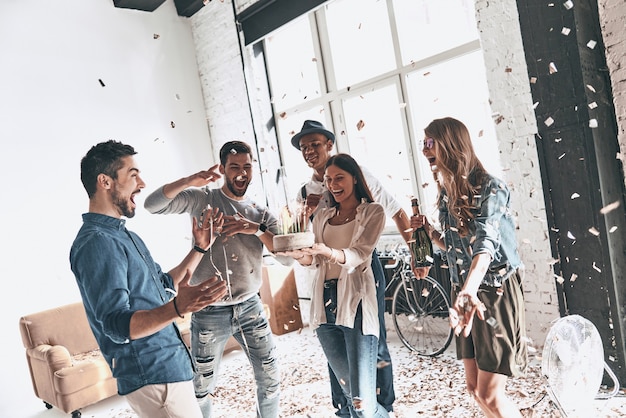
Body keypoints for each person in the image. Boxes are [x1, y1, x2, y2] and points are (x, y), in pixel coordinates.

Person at [70, 140, 228, 418]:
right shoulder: (97, 242)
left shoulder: (123, 235)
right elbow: (117, 324)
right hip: (153, 376)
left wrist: (200, 247)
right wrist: (179, 308)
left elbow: (164, 286)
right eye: (133, 174)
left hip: (168, 367)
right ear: (105, 181)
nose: (142, 183)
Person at [144, 140, 287, 418]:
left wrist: (256, 230)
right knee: (200, 388)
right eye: (235, 167)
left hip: (250, 309)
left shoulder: (261, 214)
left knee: (270, 380)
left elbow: (288, 258)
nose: (242, 173)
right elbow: (153, 205)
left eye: (247, 167)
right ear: (222, 169)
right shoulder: (202, 199)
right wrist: (189, 180)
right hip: (209, 312)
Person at [291, 119, 422, 416]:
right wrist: (307, 215)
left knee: (371, 341)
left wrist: (416, 253)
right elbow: (303, 238)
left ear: (328, 144)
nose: (309, 151)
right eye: (304, 147)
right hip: (327, 272)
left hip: (361, 265)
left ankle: (380, 405)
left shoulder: (359, 175)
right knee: (335, 348)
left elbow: (398, 212)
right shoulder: (306, 191)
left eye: (315, 144)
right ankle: (346, 407)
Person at [410, 117, 528, 418]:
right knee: (475, 389)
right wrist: (430, 232)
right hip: (464, 292)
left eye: (430, 143)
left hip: (492, 293)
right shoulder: (448, 192)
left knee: (491, 393)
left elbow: (485, 245)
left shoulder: (492, 188)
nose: (424, 150)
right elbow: (456, 247)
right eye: (423, 143)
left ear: (451, 143)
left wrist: (467, 292)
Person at [279, 153, 389, 418]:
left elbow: (359, 254)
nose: (333, 184)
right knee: (352, 394)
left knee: (362, 403)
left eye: (340, 177)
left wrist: (327, 251)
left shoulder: (373, 212)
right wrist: (298, 254)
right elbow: (312, 259)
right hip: (324, 307)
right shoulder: (323, 216)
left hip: (357, 305)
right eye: (328, 180)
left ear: (354, 178)